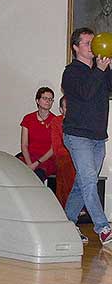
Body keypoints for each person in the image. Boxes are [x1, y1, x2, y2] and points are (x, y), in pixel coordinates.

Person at [62, 27, 112, 245]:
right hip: (77, 135)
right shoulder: (71, 72)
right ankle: (103, 227)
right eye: (86, 43)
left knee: (82, 184)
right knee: (90, 180)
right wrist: (100, 71)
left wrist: (109, 69)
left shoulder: (99, 70)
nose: (92, 46)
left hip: (98, 137)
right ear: (75, 47)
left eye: (93, 42)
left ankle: (65, 224)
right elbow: (85, 93)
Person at [19, 87, 56, 182]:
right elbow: (24, 145)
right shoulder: (28, 119)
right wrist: (29, 164)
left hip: (46, 160)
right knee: (12, 171)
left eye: (50, 99)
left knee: (35, 178)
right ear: (37, 100)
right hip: (29, 157)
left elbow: (53, 149)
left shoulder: (55, 121)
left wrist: (35, 164)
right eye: (45, 98)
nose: (48, 101)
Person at [50, 96, 75, 209]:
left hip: (77, 156)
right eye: (67, 107)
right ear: (61, 109)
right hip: (64, 156)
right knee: (67, 165)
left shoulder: (79, 122)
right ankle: (68, 206)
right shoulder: (56, 121)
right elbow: (57, 147)